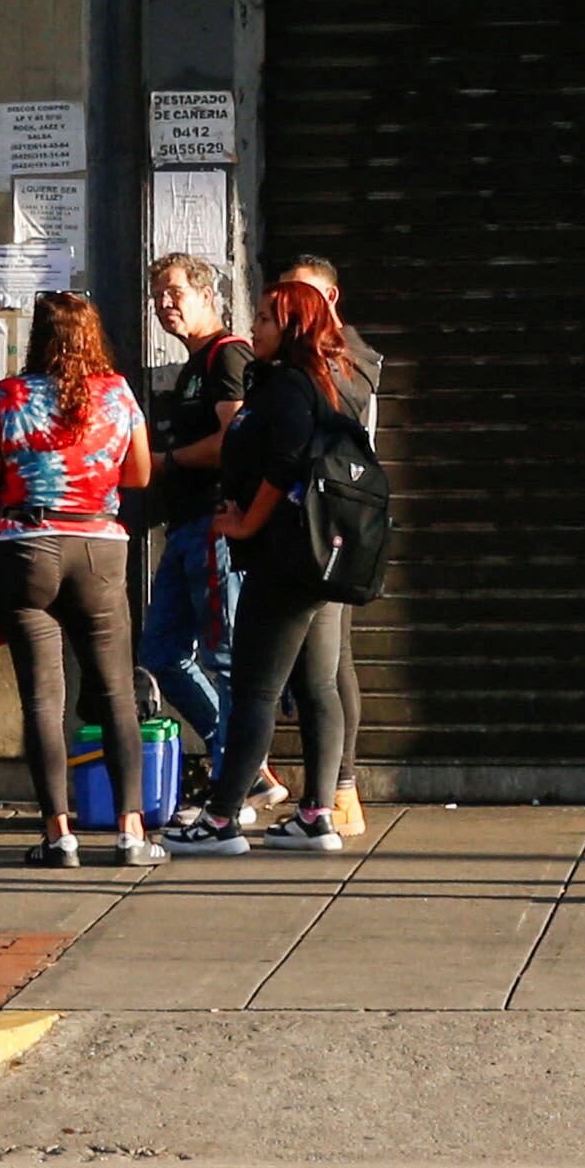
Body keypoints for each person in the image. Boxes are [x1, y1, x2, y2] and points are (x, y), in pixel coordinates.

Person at [0, 290, 158, 868]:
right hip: (99, 546)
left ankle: (59, 836)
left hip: (26, 549)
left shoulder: (9, 395)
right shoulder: (119, 394)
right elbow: (140, 475)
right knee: (117, 693)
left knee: (43, 701)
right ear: (92, 336)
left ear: (37, 338)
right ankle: (130, 831)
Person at [163, 281, 355, 855]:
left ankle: (221, 821)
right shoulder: (327, 381)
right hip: (322, 555)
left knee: (253, 688)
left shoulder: (288, 386)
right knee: (317, 685)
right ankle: (317, 813)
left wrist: (246, 524)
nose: (257, 328)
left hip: (286, 557)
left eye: (268, 318)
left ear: (293, 325)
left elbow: (287, 464)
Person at [137, 253, 253, 801]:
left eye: (175, 293)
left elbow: (235, 439)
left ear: (208, 296)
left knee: (225, 656)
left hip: (213, 524)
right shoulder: (192, 365)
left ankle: (236, 779)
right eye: (157, 296)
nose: (164, 305)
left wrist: (169, 461)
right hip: (184, 526)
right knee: (161, 653)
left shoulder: (227, 359)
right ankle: (241, 762)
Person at [281, 253, 378, 837]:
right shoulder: (308, 361)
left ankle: (338, 792)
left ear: (329, 301)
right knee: (324, 665)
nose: (291, 310)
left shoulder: (348, 360)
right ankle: (335, 794)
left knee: (329, 665)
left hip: (335, 522)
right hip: (326, 522)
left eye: (302, 298)